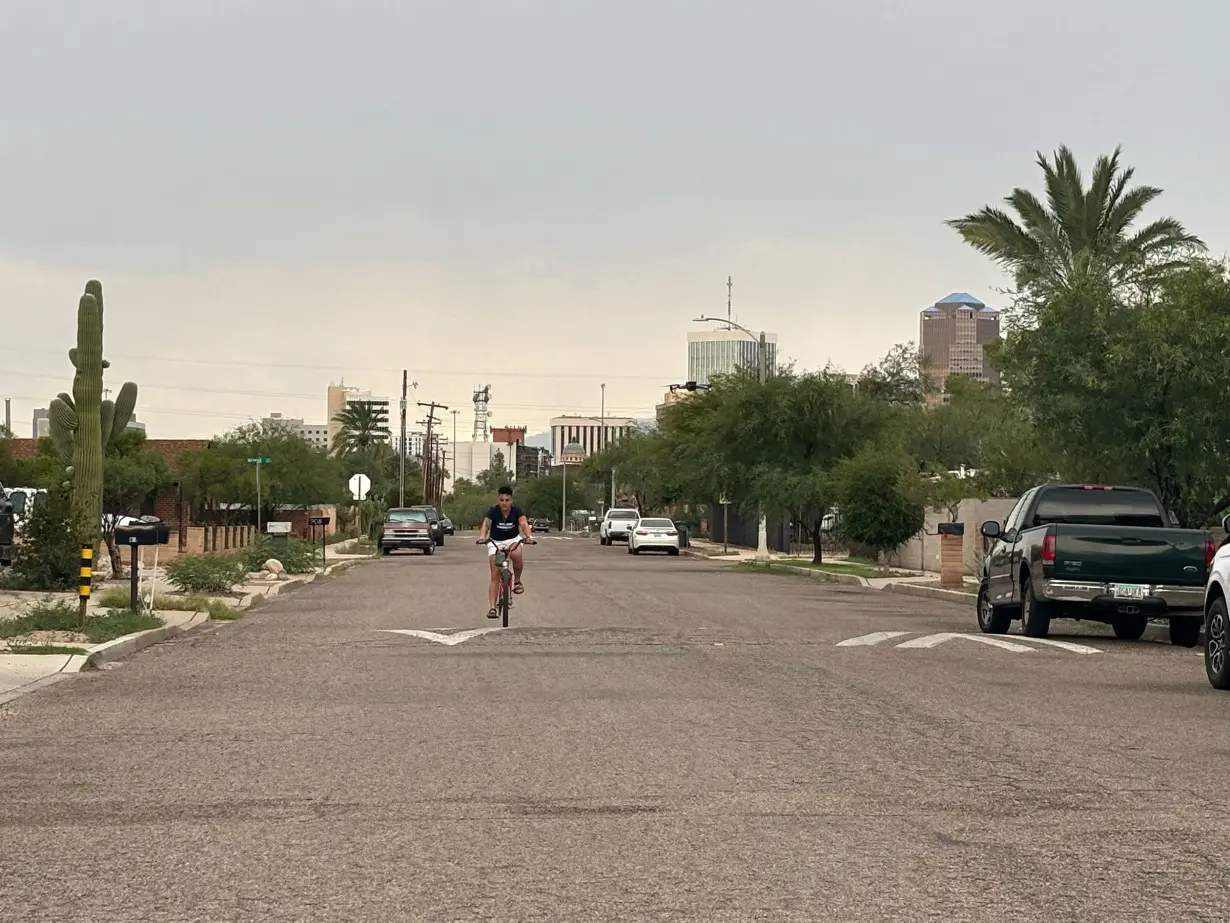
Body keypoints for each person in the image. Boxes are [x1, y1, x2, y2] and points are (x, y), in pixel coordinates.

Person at [475, 484, 535, 618]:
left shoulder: (517, 511)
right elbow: (486, 525)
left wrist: (529, 537)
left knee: (517, 554)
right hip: (495, 542)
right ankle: (492, 608)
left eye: (507, 500)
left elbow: (524, 524)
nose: (504, 503)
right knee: (495, 574)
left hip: (513, 540)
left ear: (511, 500)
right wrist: (482, 537)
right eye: (501, 500)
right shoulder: (493, 511)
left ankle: (517, 581)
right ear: (498, 500)